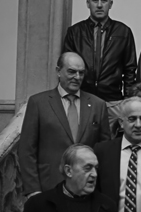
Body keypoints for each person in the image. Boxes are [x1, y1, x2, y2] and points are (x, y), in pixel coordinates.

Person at [19, 52, 111, 196]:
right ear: (58, 71)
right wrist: (33, 190)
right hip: (48, 187)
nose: (77, 77)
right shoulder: (38, 103)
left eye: (81, 73)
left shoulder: (97, 105)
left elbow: (105, 151)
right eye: (72, 71)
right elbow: (27, 150)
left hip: (87, 190)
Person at [62, 0, 137, 126]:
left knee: (111, 139)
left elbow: (130, 69)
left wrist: (127, 101)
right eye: (95, 0)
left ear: (110, 4)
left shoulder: (123, 32)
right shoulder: (75, 32)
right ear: (88, 3)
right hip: (82, 99)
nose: (99, 5)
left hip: (113, 101)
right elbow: (67, 67)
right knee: (83, 138)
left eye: (104, 0)